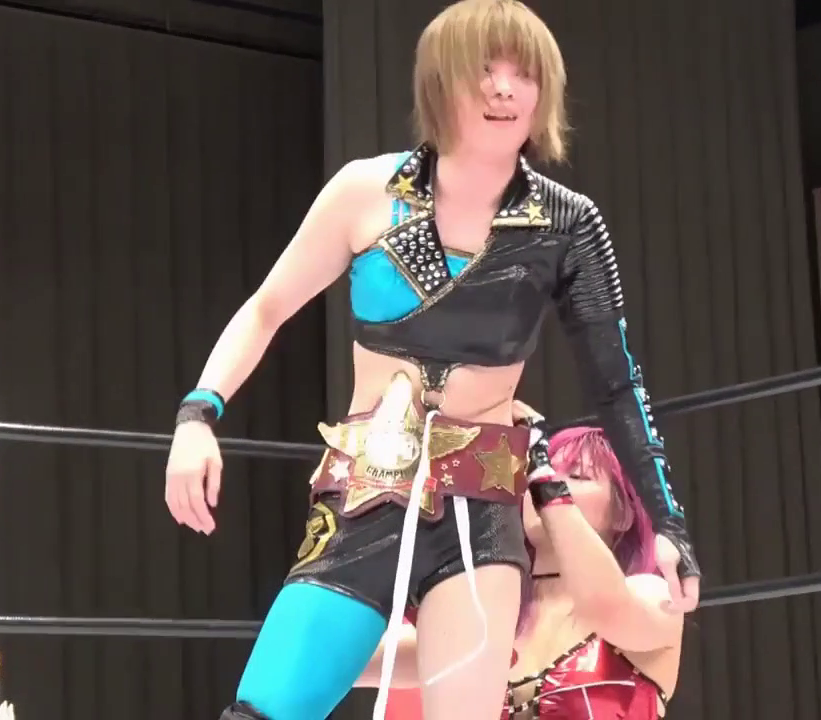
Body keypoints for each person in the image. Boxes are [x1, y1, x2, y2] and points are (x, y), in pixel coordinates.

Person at [163, 2, 698, 718]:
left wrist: (668, 523)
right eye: (484, 69)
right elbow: (267, 308)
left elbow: (616, 383)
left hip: (482, 503)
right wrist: (198, 413)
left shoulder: (567, 223)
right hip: (367, 488)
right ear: (441, 83)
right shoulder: (365, 192)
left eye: (523, 73)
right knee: (265, 709)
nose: (503, 87)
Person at [365, 415, 682, 719]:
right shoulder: (489, 618)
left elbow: (608, 609)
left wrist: (544, 476)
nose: (540, 484)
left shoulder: (654, 594)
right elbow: (354, 658)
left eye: (577, 476)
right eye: (537, 474)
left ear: (623, 514)